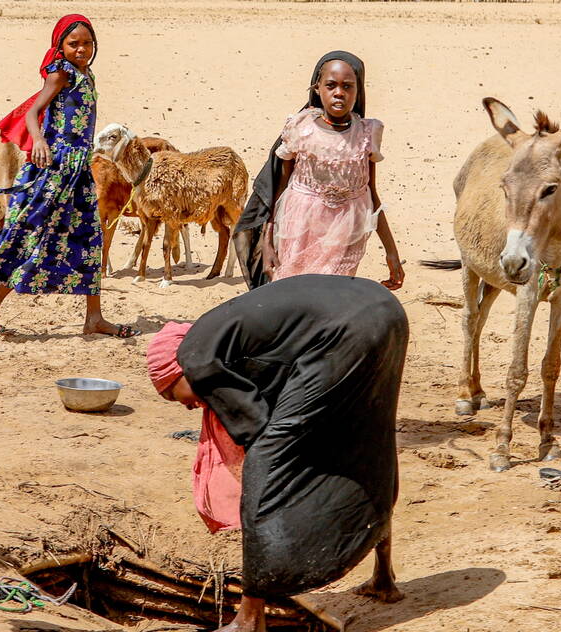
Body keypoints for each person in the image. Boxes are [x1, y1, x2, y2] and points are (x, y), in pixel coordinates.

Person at [146, 274, 409, 632]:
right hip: (383, 309)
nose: (188, 407)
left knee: (266, 463)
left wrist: (263, 485)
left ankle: (250, 618)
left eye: (171, 394)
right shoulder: (227, 341)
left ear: (175, 372)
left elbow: (259, 437)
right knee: (367, 436)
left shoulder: (196, 358)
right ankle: (384, 578)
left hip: (346, 331)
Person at [0, 14, 134, 338]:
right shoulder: (60, 74)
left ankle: (94, 317)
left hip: (79, 172)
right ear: (61, 46)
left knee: (89, 240)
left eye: (87, 43)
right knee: (37, 237)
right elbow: (32, 113)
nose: (81, 49)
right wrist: (40, 141)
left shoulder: (88, 75)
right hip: (56, 171)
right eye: (74, 44)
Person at [235, 51, 403, 292]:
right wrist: (268, 241)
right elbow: (280, 189)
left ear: (358, 91)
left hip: (347, 233)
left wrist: (391, 252)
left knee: (331, 295)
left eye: (348, 87)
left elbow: (372, 193)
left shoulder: (367, 134)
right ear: (317, 88)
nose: (339, 93)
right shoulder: (301, 128)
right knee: (293, 292)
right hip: (299, 226)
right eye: (331, 85)